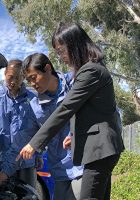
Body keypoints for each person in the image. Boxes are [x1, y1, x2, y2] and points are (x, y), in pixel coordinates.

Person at [18, 22, 124, 200]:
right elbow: (89, 112)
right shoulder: (90, 70)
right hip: (100, 150)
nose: (60, 57)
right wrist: (74, 135)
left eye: (61, 51)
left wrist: (34, 143)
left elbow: (66, 108)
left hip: (100, 149)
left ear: (74, 44)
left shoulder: (91, 71)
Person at [22, 53, 83, 200]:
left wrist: (78, 135)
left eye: (33, 77)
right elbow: (29, 137)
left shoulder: (76, 84)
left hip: (83, 165)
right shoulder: (35, 106)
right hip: (59, 169)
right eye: (28, 80)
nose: (32, 84)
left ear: (47, 68)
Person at [0, 59, 39, 189]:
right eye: (10, 77)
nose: (13, 82)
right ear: (5, 74)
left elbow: (38, 131)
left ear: (23, 77)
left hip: (25, 163)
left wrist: (38, 154)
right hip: (0, 159)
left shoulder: (32, 100)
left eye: (18, 78)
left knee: (27, 195)